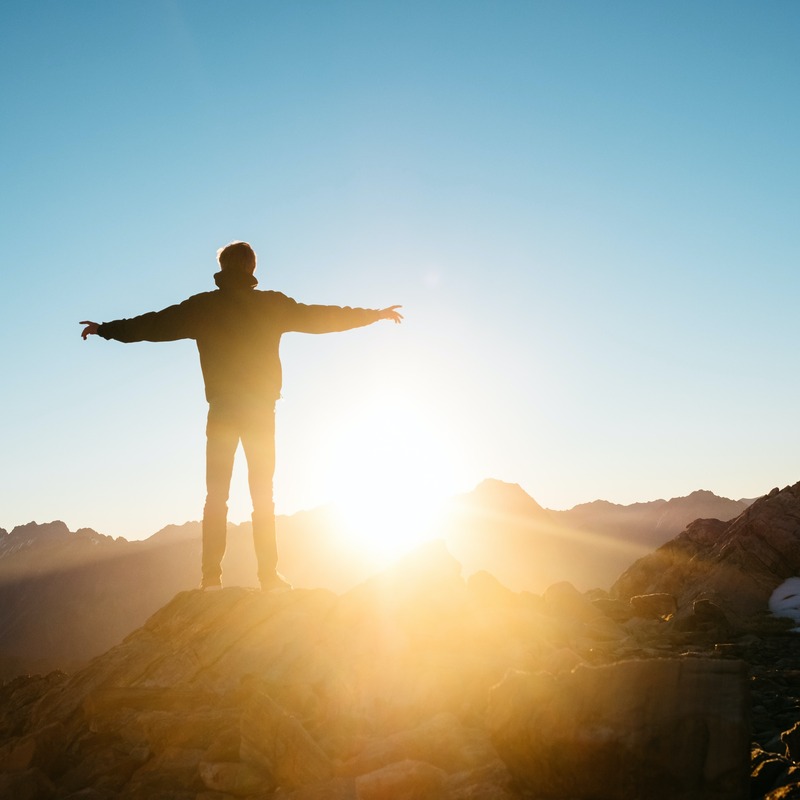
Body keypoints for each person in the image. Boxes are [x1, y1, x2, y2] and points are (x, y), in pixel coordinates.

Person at [81, 241, 402, 592]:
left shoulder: (203, 307)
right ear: (251, 268)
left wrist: (105, 329)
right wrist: (375, 314)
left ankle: (210, 580)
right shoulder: (271, 305)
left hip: (222, 411)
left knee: (216, 496)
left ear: (222, 267)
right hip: (261, 411)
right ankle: (269, 578)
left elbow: (152, 325)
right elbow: (324, 317)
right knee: (263, 494)